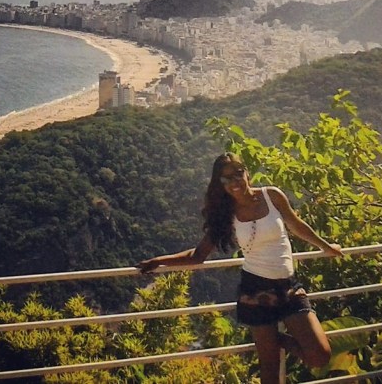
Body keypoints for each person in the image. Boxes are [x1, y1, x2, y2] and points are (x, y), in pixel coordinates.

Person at [136, 152, 343, 384]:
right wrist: (159, 261)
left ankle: (275, 338)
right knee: (270, 369)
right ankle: (270, 340)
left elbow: (296, 225)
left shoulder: (271, 195)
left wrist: (326, 247)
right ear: (220, 185)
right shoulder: (226, 216)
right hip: (255, 292)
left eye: (238, 173)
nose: (235, 181)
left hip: (289, 288)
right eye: (226, 179)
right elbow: (198, 256)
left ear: (247, 173)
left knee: (319, 356)